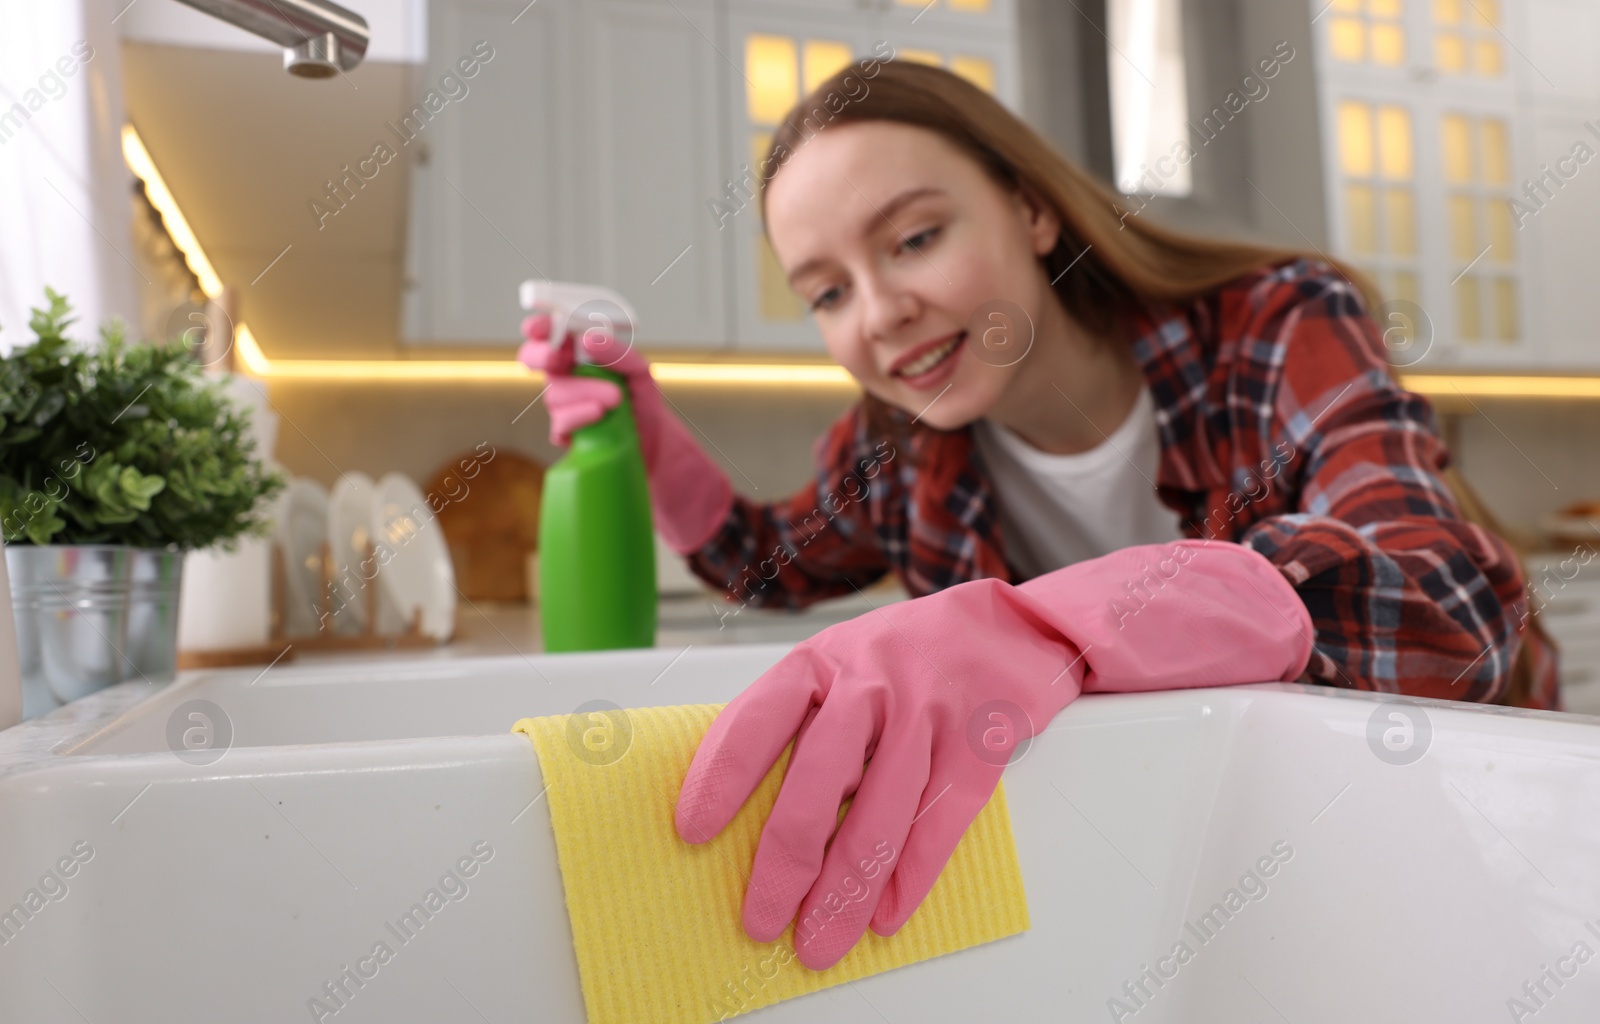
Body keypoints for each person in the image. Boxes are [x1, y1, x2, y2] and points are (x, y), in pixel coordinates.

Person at [519, 60, 1558, 973]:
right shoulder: (899, 451)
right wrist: (643, 426)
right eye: (826, 291)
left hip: (1458, 832)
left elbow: (1449, 603)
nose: (879, 313)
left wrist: (1060, 624)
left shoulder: (1275, 324)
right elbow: (764, 565)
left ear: (1030, 211)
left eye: (915, 237)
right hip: (1200, 876)